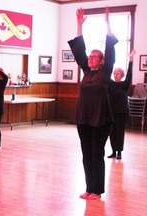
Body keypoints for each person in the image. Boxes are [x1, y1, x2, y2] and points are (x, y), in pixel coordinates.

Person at [68, 7, 118, 200]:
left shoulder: (105, 74)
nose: (90, 58)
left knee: (97, 154)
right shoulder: (87, 72)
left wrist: (107, 23)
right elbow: (79, 50)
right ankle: (89, 188)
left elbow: (110, 48)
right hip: (84, 119)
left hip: (101, 119)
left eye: (94, 56)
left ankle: (97, 190)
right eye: (90, 56)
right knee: (86, 154)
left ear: (102, 61)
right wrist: (79, 25)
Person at [108, 49, 136, 160]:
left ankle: (119, 152)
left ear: (122, 75)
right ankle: (113, 151)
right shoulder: (110, 84)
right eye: (114, 73)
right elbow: (107, 70)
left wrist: (131, 59)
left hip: (122, 112)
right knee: (112, 132)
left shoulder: (125, 85)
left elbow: (129, 75)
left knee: (120, 132)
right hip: (111, 112)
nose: (116, 75)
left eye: (118, 73)